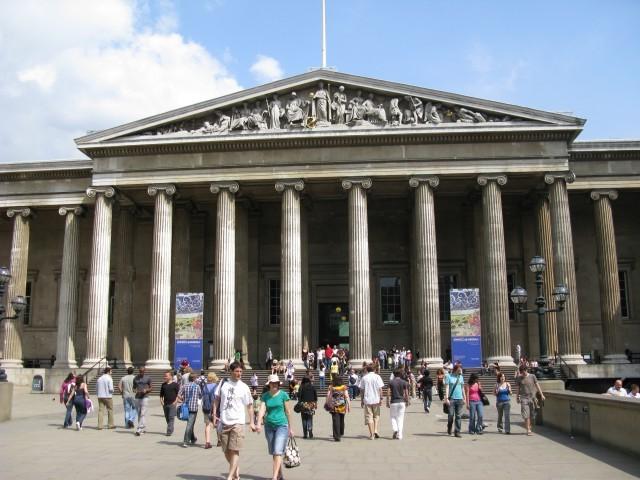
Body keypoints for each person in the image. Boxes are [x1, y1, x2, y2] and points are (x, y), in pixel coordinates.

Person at [214, 361, 256, 480]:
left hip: (238, 422)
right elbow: (217, 399)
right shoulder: (223, 383)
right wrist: (214, 413)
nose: (239, 373)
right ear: (231, 371)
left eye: (240, 371)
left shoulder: (244, 387)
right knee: (226, 451)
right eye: (237, 371)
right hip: (224, 421)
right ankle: (235, 467)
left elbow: (249, 406)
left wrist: (252, 422)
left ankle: (231, 476)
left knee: (235, 449)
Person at [256, 374, 294, 480]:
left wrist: (290, 428)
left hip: (282, 425)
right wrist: (259, 423)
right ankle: (280, 475)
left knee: (277, 451)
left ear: (278, 384)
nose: (274, 385)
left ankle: (274, 477)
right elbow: (262, 410)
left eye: (276, 383)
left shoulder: (283, 395)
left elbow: (288, 412)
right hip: (269, 426)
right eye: (272, 383)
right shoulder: (265, 396)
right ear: (269, 384)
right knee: (274, 452)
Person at [516, 364, 545, 436]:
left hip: (532, 398)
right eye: (521, 372)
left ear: (526, 370)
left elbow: (537, 385)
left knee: (532, 415)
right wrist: (517, 397)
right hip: (524, 398)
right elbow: (518, 388)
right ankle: (528, 429)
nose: (522, 374)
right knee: (526, 415)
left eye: (523, 372)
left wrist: (541, 395)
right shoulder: (519, 378)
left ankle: (529, 426)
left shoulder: (532, 376)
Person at [358, 364, 384, 440]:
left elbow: (362, 390)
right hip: (376, 399)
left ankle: (371, 434)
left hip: (367, 399)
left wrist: (362, 400)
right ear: (374, 370)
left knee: (369, 417)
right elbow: (380, 389)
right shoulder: (377, 377)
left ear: (367, 370)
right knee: (376, 415)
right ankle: (375, 430)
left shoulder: (364, 378)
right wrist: (381, 398)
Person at [178, 372, 202, 448]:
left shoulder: (184, 386)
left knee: (191, 423)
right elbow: (200, 396)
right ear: (194, 378)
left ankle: (193, 438)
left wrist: (182, 399)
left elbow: (179, 394)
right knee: (190, 424)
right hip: (194, 408)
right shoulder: (197, 386)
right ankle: (186, 441)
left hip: (186, 407)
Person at [386, 368, 409, 440]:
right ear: (400, 374)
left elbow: (388, 392)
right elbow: (406, 393)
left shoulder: (391, 382)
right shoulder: (404, 382)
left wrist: (387, 401)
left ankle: (395, 429)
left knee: (393, 417)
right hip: (402, 402)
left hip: (393, 402)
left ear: (394, 374)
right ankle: (400, 435)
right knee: (400, 418)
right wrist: (407, 401)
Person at [444, 364, 465, 437]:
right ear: (455, 369)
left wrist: (464, 398)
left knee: (458, 416)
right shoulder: (449, 376)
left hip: (459, 399)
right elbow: (447, 388)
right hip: (452, 399)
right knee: (451, 415)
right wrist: (446, 398)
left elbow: (462, 388)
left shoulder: (461, 377)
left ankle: (457, 431)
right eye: (459, 370)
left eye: (460, 370)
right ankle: (449, 427)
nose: (460, 371)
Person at [327, 375, 350, 441]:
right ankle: (341, 432)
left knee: (335, 420)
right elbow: (347, 396)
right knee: (342, 419)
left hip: (334, 405)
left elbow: (329, 396)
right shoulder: (344, 387)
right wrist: (349, 405)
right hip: (342, 406)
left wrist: (328, 403)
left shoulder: (331, 387)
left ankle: (337, 436)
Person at [133, 366, 152, 436]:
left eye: (142, 371)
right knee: (139, 413)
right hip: (137, 397)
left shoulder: (148, 378)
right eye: (140, 371)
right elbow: (134, 388)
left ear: (144, 371)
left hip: (145, 397)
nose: (141, 373)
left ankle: (139, 429)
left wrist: (146, 390)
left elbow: (151, 388)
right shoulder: (135, 378)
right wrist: (135, 391)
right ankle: (143, 428)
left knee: (142, 413)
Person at [160, 370, 179, 436]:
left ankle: (169, 431)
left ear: (170, 376)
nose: (165, 377)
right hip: (165, 404)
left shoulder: (175, 385)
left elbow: (177, 394)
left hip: (172, 404)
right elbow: (161, 395)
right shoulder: (163, 385)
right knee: (167, 417)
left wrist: (175, 402)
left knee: (171, 417)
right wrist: (162, 402)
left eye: (166, 376)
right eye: (164, 376)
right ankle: (170, 428)